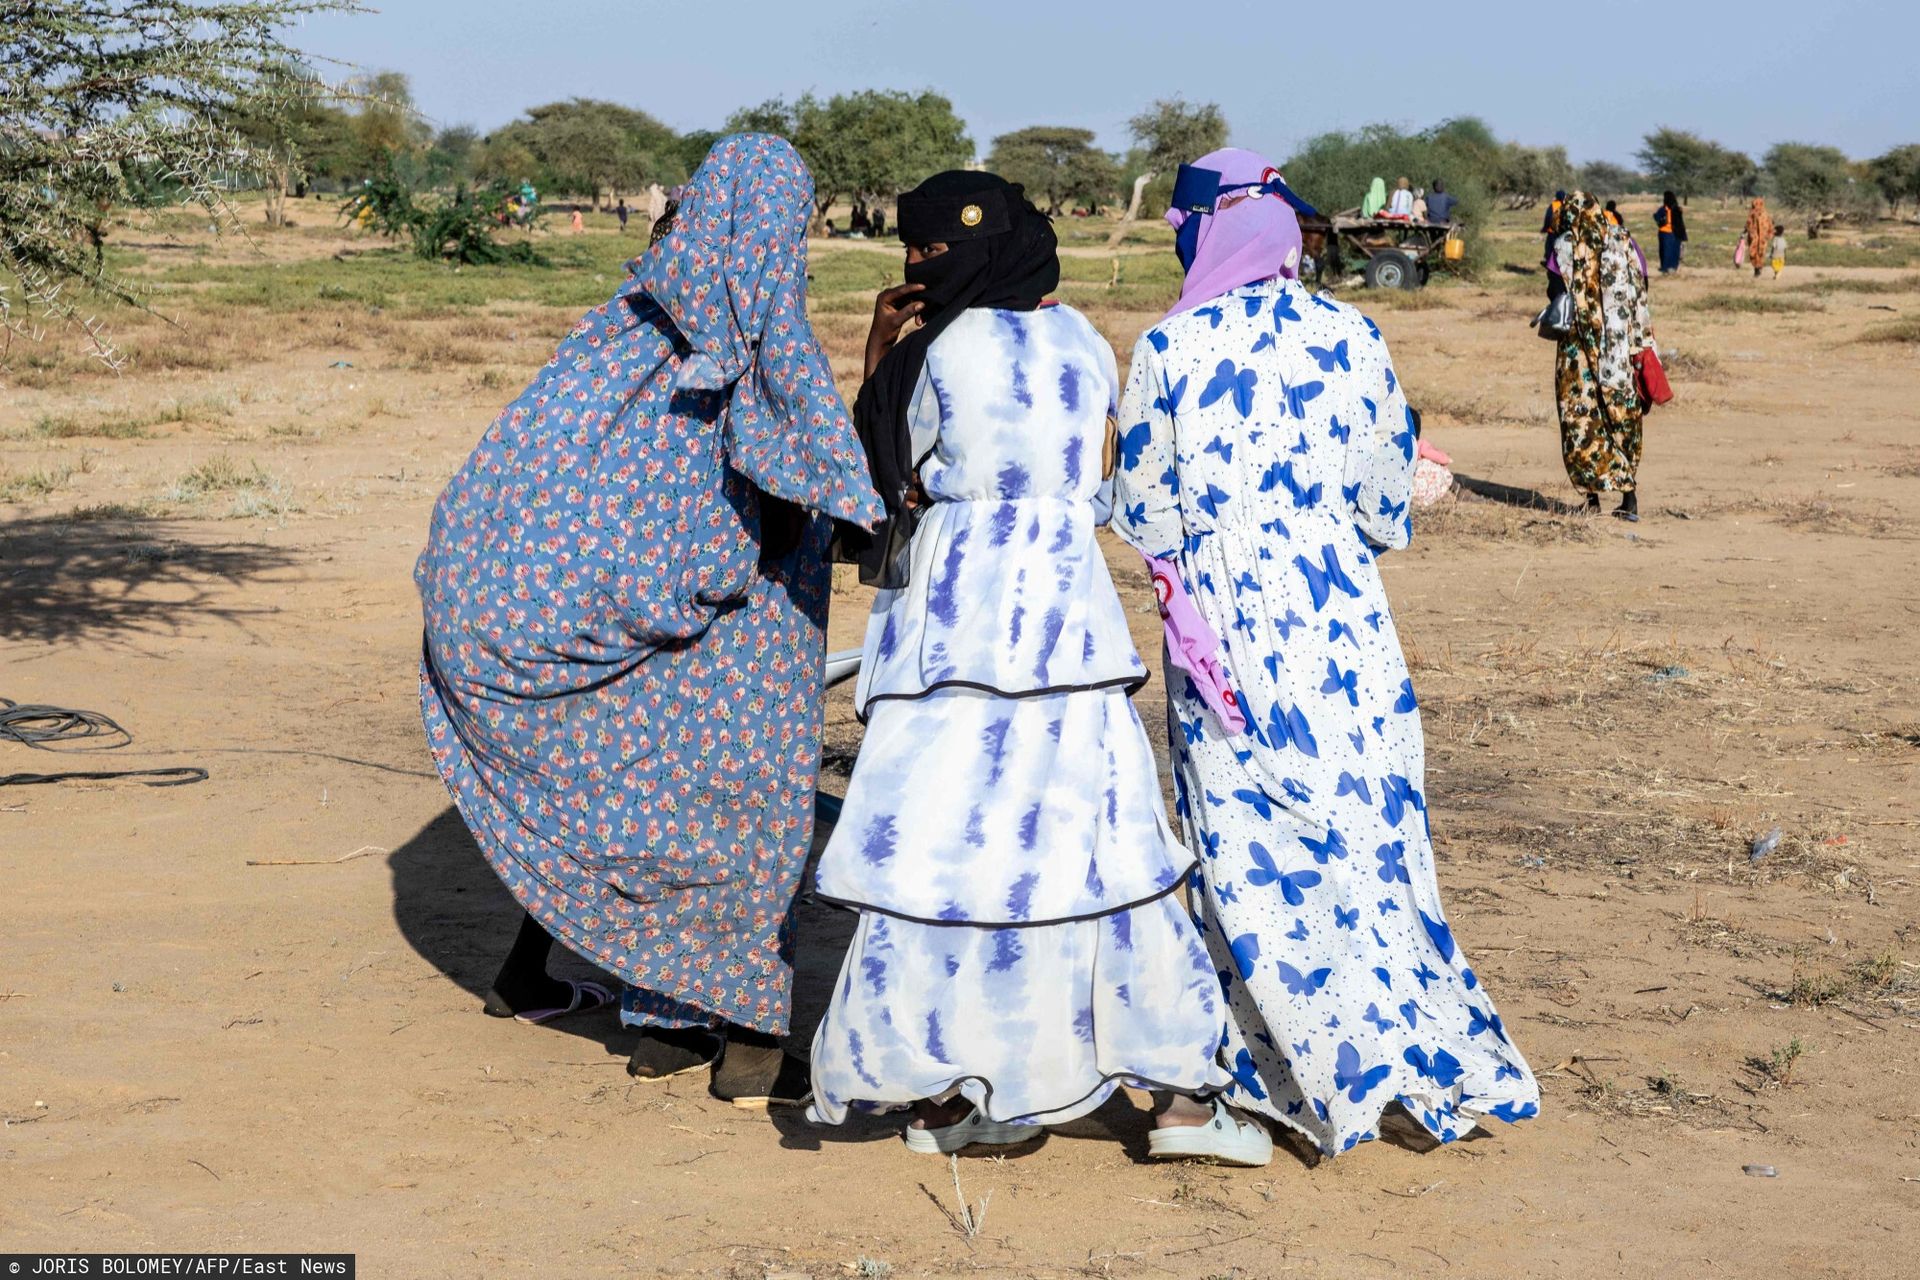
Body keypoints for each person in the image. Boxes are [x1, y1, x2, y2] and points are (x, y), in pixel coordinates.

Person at [808, 170, 1270, 1167]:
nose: (927, 267)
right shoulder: (1088, 344)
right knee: (1096, 851)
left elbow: (877, 482)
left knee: (942, 853)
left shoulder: (932, 349)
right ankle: (1178, 1099)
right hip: (1067, 628)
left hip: (952, 632)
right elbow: (1103, 492)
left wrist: (880, 354)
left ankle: (946, 1091)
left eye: (927, 253)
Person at [415, 135, 884, 1101]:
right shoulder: (758, 344)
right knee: (748, 825)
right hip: (731, 633)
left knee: (651, 810)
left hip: (633, 632)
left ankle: (666, 1031)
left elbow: (530, 465)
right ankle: (753, 1046)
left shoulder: (623, 323)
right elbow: (791, 511)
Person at [1113, 146, 1542, 1159]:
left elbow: (1144, 515)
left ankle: (1243, 1083)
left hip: (1223, 642)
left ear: (1200, 230)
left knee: (1247, 856)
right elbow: (1384, 508)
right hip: (1346, 635)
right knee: (1373, 849)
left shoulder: (1166, 350)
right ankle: (1403, 1065)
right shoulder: (1354, 335)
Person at [1553, 191, 1651, 520]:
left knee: (1582, 420)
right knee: (1620, 416)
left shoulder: (1563, 245)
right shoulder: (1624, 240)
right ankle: (1629, 498)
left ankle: (1591, 500)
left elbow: (1554, 292)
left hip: (1576, 352)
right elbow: (1643, 283)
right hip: (1618, 350)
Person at [1655, 191, 1688, 274]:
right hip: (1669, 233)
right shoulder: (1668, 209)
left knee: (1668, 251)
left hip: (1670, 233)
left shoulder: (1673, 209)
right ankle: (1669, 267)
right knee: (1669, 251)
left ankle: (1668, 267)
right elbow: (1656, 216)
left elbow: (1656, 216)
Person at [1745, 198, 1774, 279]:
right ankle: (1758, 268)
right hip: (1759, 238)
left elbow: (1748, 224)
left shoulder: (1756, 213)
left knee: (1757, 253)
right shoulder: (1763, 213)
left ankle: (1757, 269)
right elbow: (1770, 225)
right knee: (1758, 253)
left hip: (1758, 238)